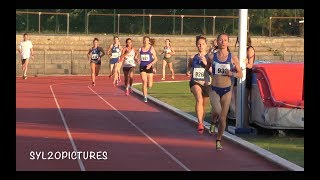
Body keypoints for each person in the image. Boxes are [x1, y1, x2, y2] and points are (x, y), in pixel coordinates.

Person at [205, 33, 243, 150]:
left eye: (225, 40)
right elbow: (207, 69)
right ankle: (212, 122)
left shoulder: (233, 58)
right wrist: (209, 76)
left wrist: (231, 73)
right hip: (214, 89)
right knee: (217, 110)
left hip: (227, 90)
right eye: (220, 40)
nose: (223, 42)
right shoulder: (212, 57)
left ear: (228, 42)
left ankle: (218, 139)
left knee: (223, 118)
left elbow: (240, 74)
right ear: (217, 41)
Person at [186, 35, 211, 134]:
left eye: (203, 44)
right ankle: (200, 123)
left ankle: (201, 120)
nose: (201, 46)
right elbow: (189, 67)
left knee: (203, 104)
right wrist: (188, 71)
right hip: (195, 81)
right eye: (199, 44)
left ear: (206, 45)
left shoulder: (210, 57)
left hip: (206, 83)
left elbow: (212, 72)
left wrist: (205, 63)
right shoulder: (193, 57)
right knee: (199, 98)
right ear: (196, 45)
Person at [229, 36, 256, 123]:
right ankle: (238, 121)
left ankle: (245, 123)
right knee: (237, 100)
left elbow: (251, 65)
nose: (239, 41)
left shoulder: (250, 49)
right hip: (239, 75)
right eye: (239, 39)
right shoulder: (241, 50)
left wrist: (245, 63)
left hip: (246, 75)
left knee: (244, 101)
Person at [135, 36, 158, 102]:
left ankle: (148, 87)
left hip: (149, 67)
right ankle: (145, 96)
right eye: (144, 40)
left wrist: (150, 64)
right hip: (142, 67)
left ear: (149, 41)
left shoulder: (151, 48)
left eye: (147, 40)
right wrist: (137, 60)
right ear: (143, 41)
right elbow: (135, 57)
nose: (145, 41)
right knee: (144, 81)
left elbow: (156, 59)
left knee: (150, 84)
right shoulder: (140, 49)